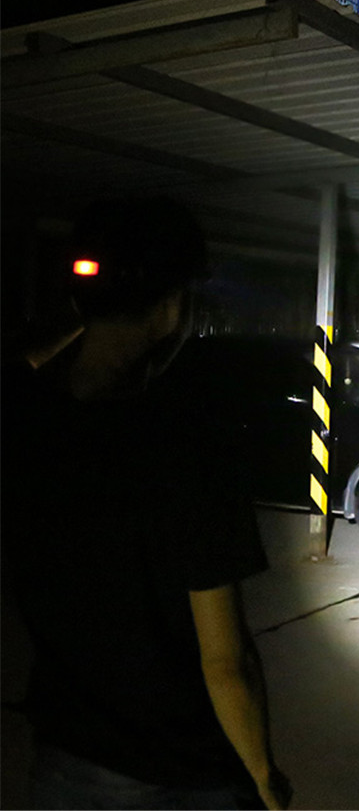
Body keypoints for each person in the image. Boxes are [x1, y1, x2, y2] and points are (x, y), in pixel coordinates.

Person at [1, 197, 291, 810]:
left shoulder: (25, 418)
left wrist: (86, 314)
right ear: (171, 307)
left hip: (65, 763)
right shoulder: (187, 447)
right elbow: (225, 662)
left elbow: (21, 363)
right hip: (182, 775)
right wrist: (264, 778)